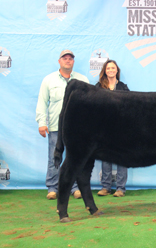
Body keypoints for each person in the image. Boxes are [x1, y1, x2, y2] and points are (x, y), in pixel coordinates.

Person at [36, 50, 89, 200]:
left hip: (77, 128)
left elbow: (89, 104)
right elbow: (42, 102)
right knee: (54, 157)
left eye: (70, 59)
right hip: (55, 126)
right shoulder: (49, 80)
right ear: (59, 61)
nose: (68, 60)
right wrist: (41, 122)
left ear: (73, 62)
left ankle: (75, 187)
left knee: (76, 158)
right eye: (64, 58)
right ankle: (53, 188)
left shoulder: (82, 79)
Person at [95, 60, 129, 197]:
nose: (110, 70)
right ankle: (106, 187)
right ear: (104, 70)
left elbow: (129, 106)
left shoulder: (123, 87)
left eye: (113, 68)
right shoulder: (98, 86)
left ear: (117, 70)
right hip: (104, 128)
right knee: (106, 157)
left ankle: (120, 188)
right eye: (108, 68)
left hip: (121, 127)